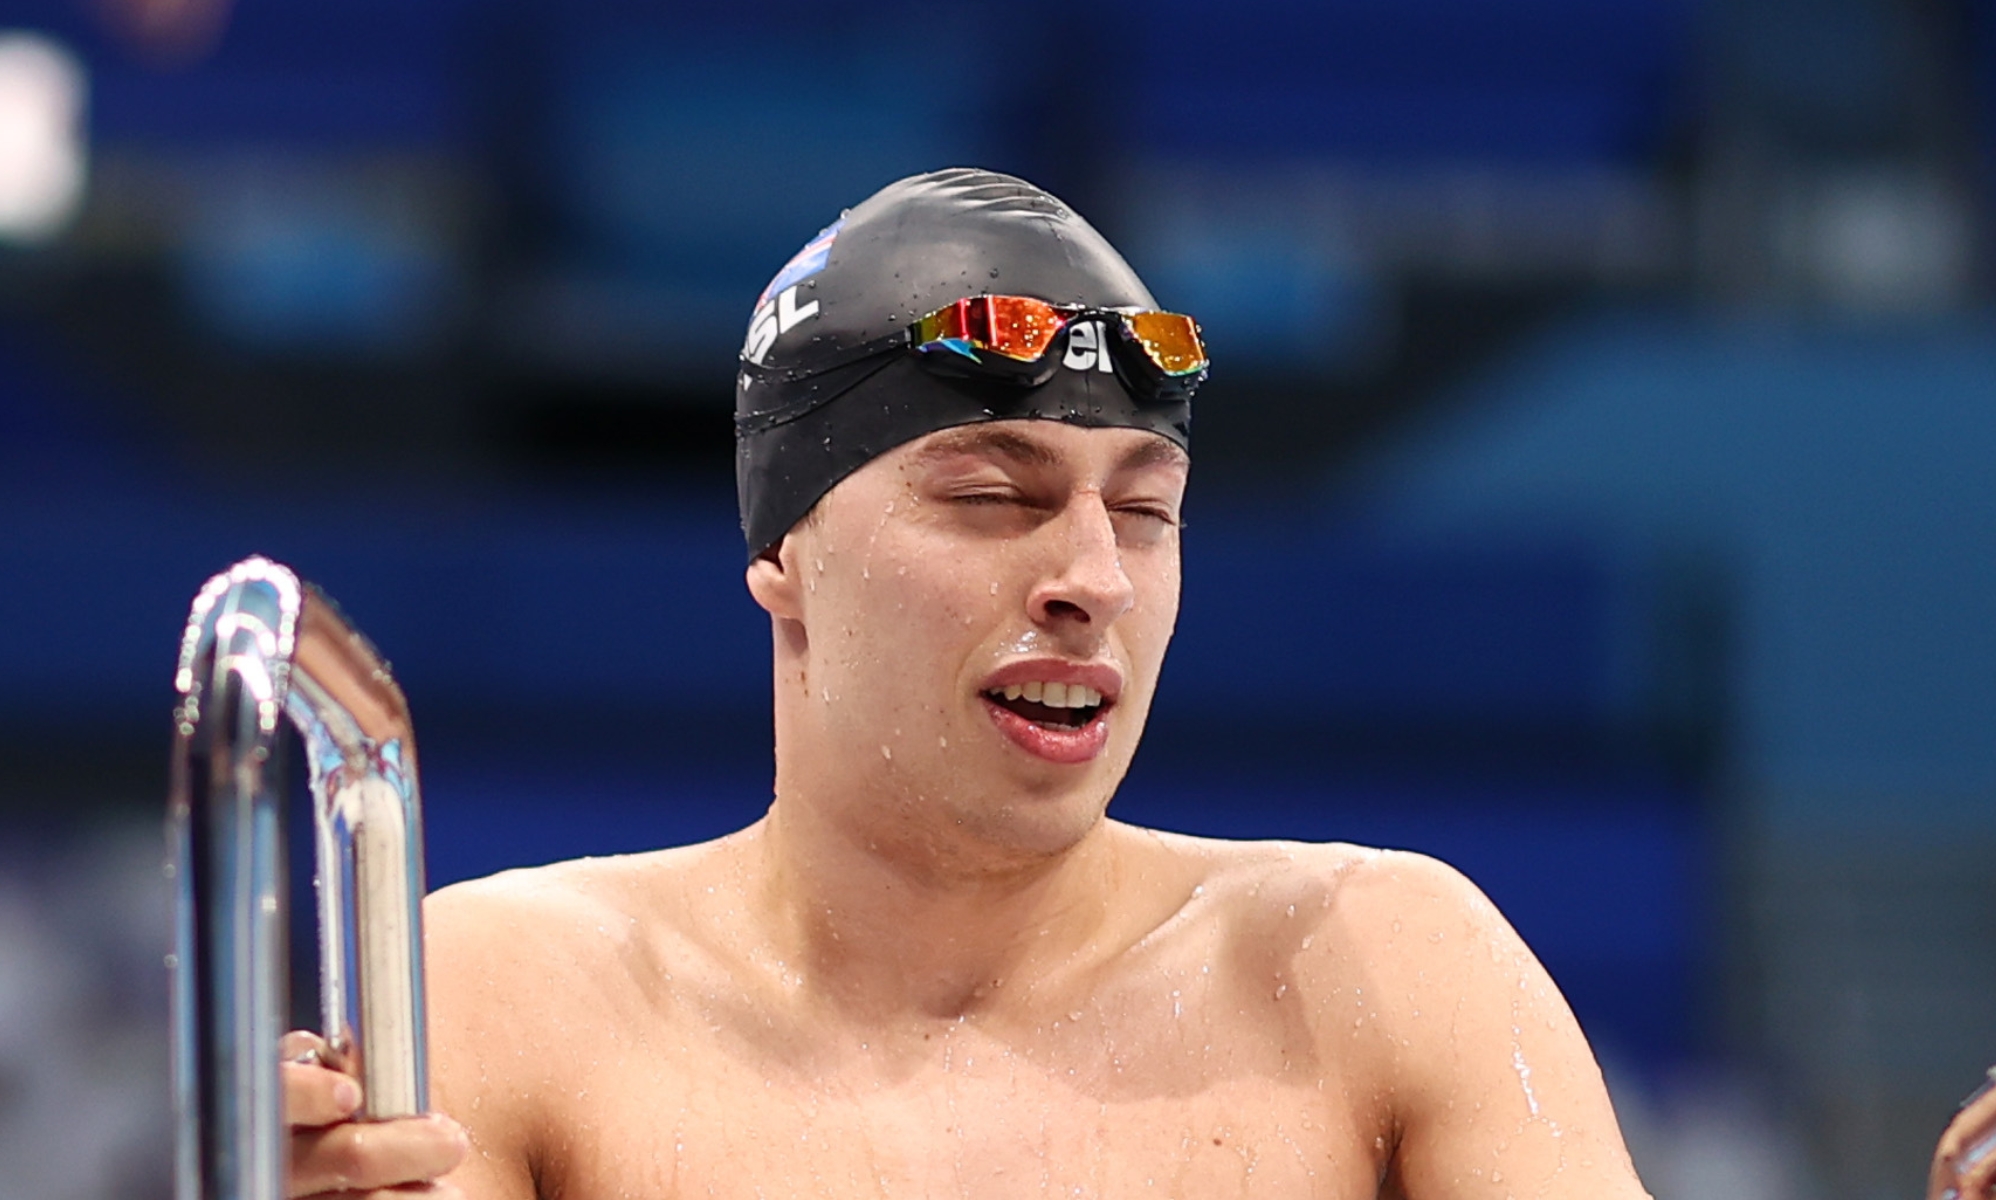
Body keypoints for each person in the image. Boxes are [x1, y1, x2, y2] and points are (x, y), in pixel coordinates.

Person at [279, 168, 1654, 1198]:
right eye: (997, 495)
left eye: (1143, 511)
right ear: (787, 558)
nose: (1091, 578)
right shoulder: (519, 1003)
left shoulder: (1381, 976)